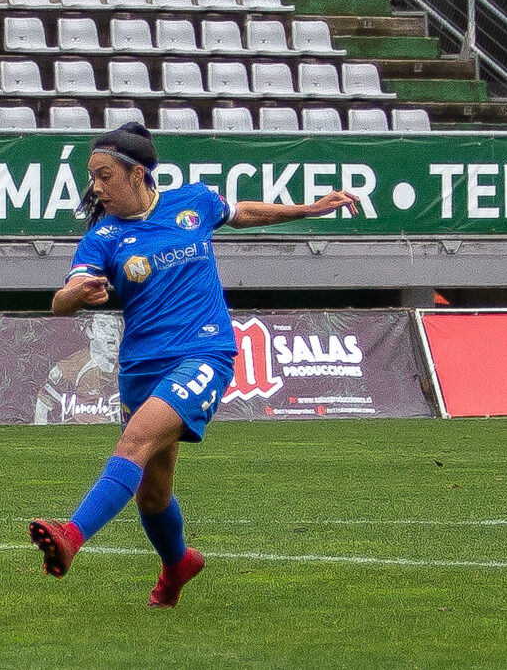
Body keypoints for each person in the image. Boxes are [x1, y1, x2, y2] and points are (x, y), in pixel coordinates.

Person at [29, 122, 359, 608]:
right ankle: (178, 564)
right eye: (91, 177)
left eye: (103, 175)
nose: (95, 187)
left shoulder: (194, 202)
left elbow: (241, 210)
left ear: (138, 173)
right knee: (153, 497)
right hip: (141, 367)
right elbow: (62, 301)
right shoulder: (103, 238)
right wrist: (75, 295)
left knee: (134, 442)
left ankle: (72, 535)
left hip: (204, 352)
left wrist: (308, 209)